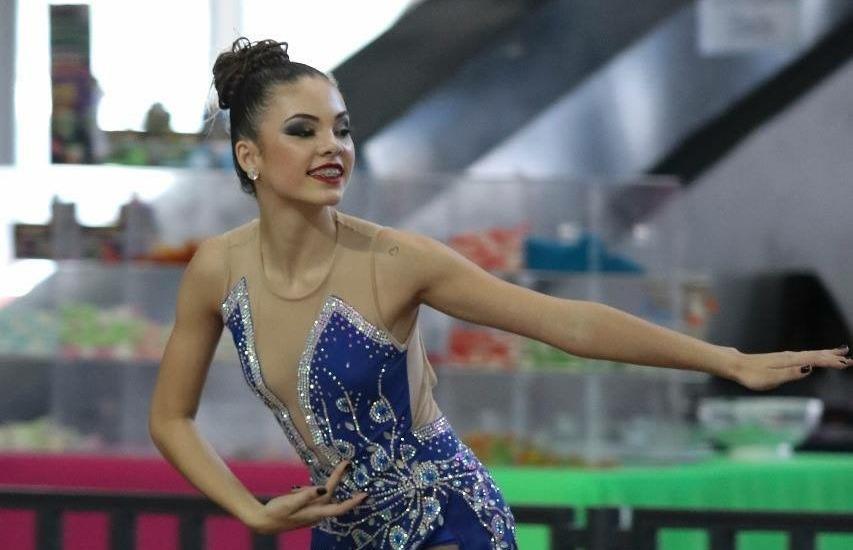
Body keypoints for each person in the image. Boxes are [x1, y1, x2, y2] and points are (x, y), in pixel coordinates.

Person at [148, 37, 852, 550]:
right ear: (249, 155)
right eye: (303, 131)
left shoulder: (397, 260)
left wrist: (727, 361)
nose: (332, 146)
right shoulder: (215, 270)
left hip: (446, 522)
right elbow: (171, 417)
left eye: (342, 128)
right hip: (340, 535)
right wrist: (249, 509)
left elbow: (565, 322)